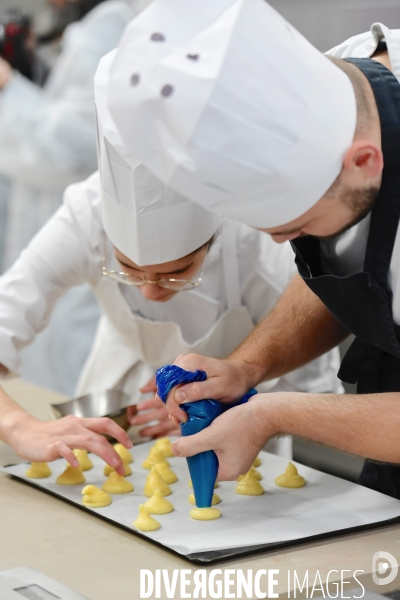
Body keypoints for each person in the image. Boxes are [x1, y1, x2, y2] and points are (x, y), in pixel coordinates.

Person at [107, 1, 400, 499]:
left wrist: (272, 412)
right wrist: (246, 368)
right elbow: (350, 269)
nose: (281, 243)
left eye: (298, 226)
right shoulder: (329, 89)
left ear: (365, 162)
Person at [0, 47, 342, 465]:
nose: (149, 293)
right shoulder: (85, 215)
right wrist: (20, 427)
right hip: (131, 409)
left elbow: (315, 390)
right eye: (126, 269)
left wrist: (232, 407)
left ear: (213, 237)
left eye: (177, 273)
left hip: (248, 439)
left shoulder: (256, 240)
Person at [0, 0, 142, 396]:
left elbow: (76, 143)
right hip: (53, 237)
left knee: (78, 393)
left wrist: (9, 84)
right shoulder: (79, 27)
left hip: (87, 243)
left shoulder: (112, 23)